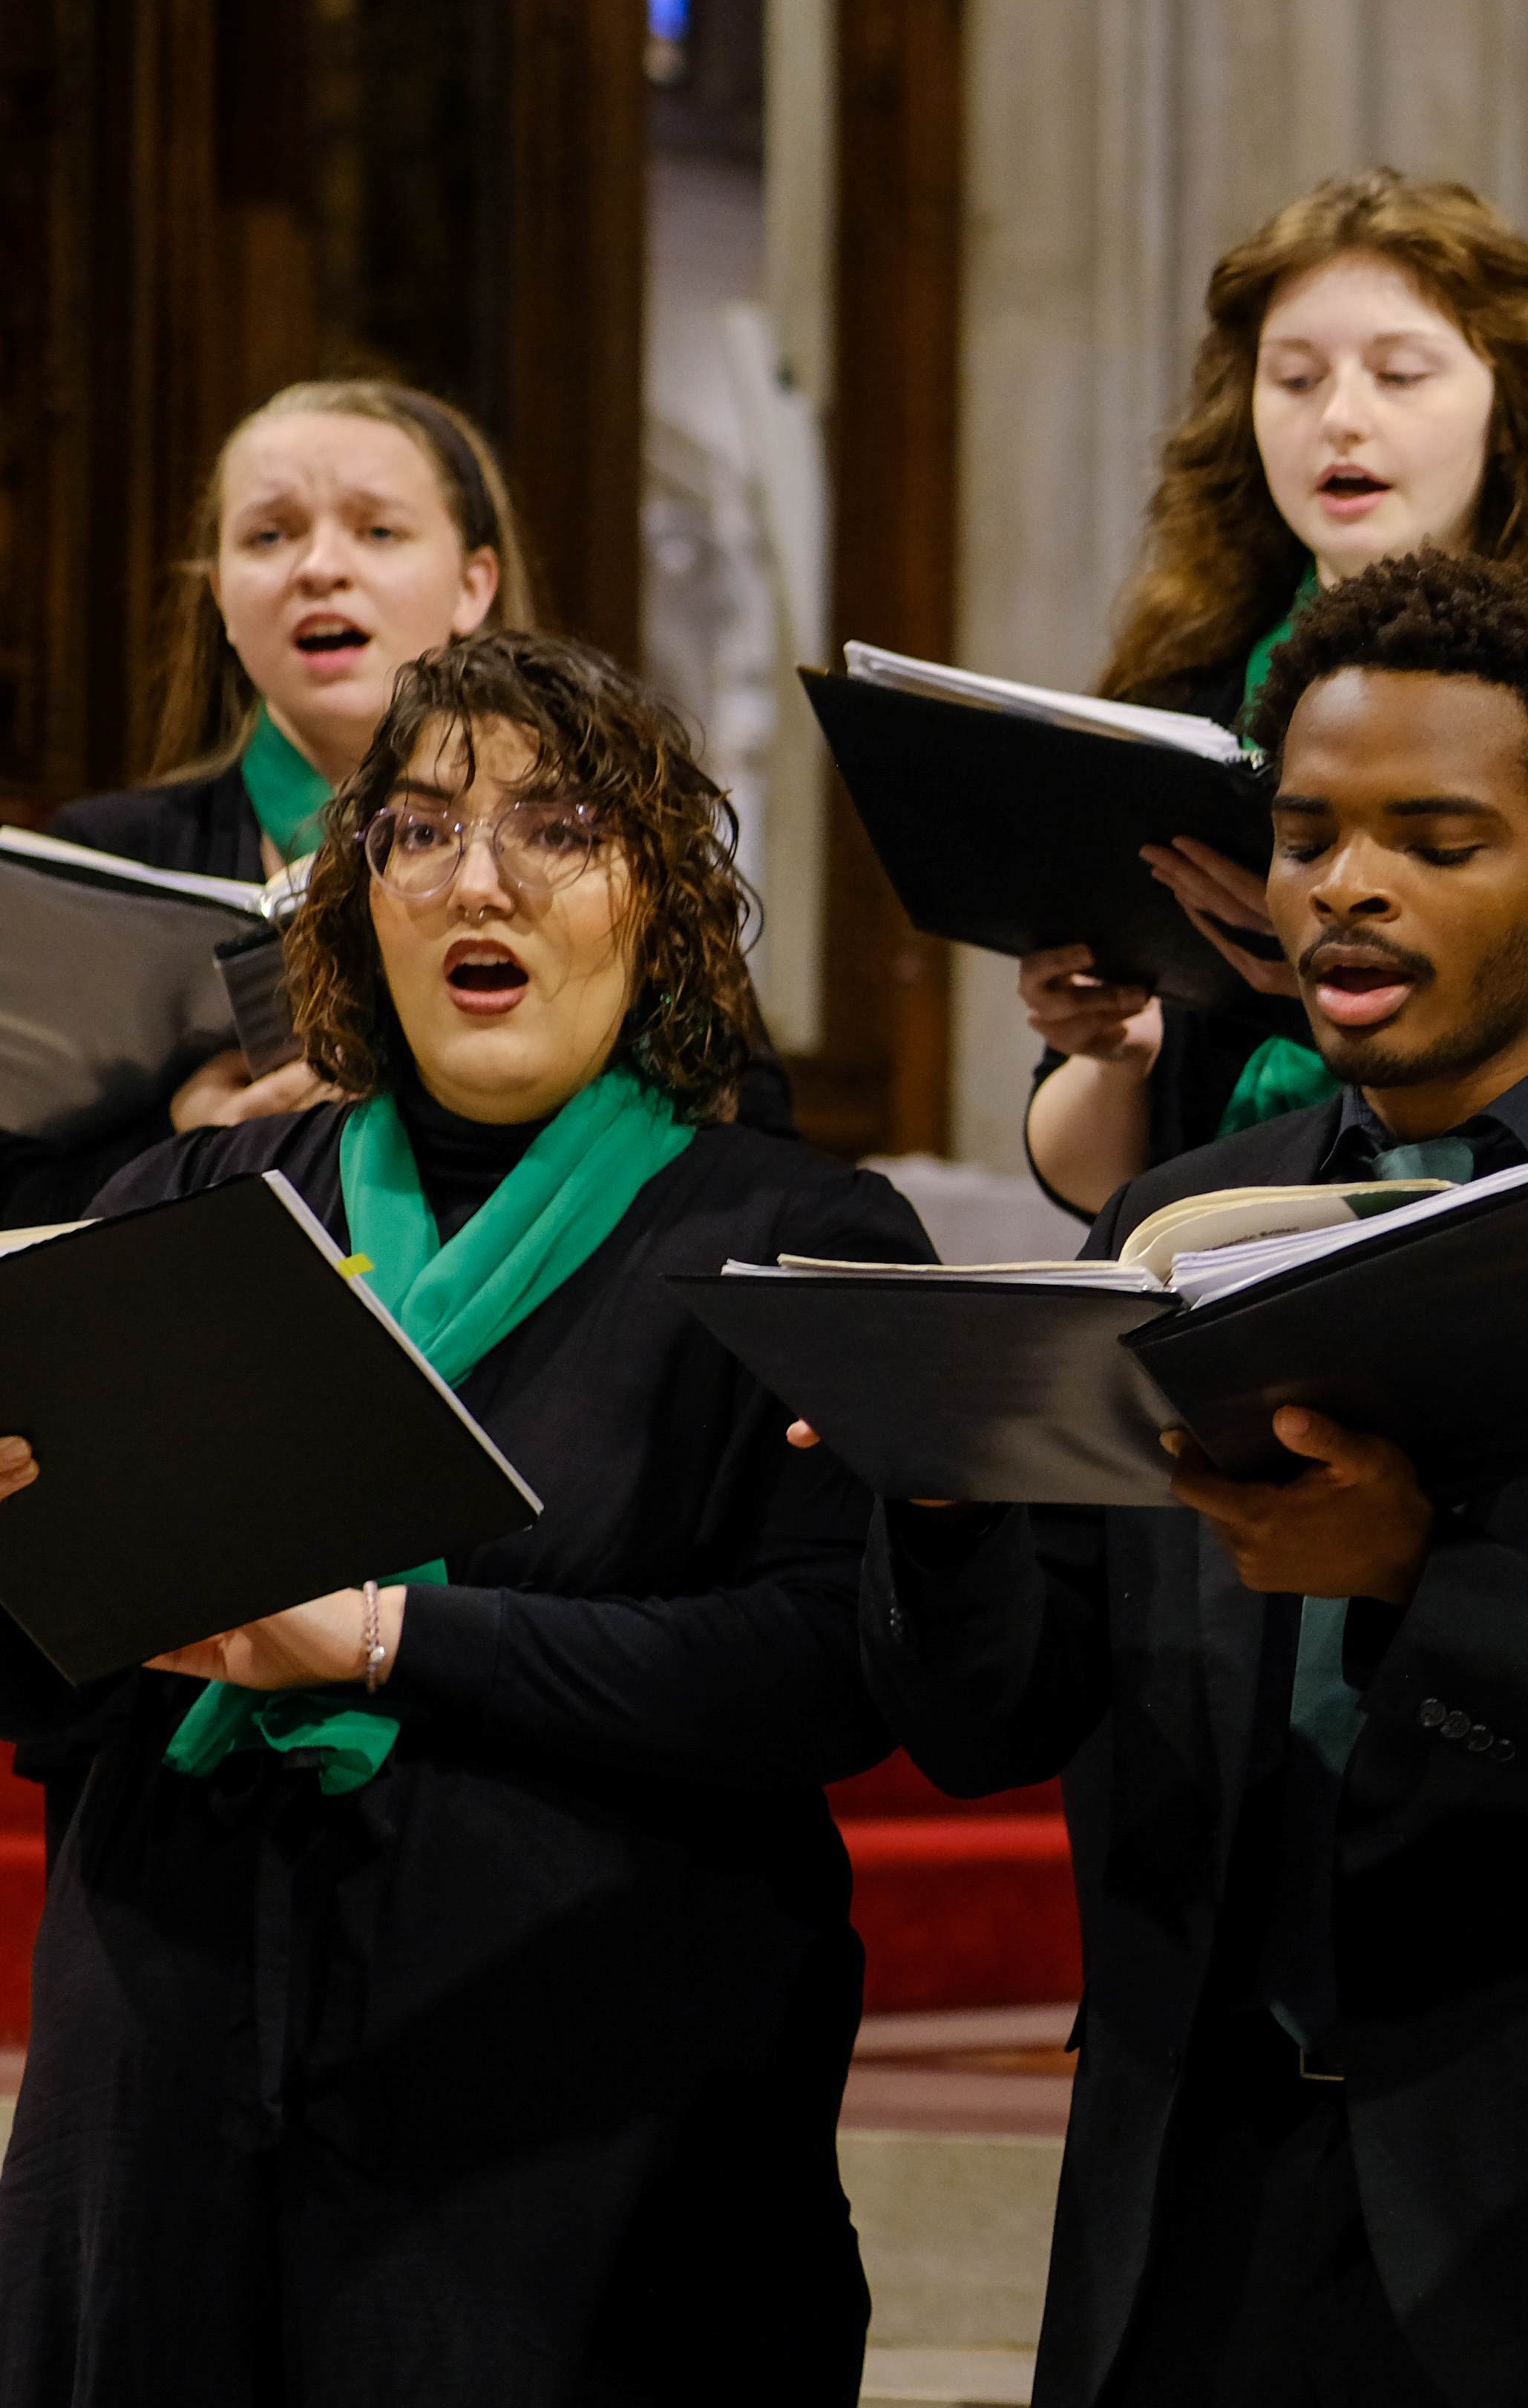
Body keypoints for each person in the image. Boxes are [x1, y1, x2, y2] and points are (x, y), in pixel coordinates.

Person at [849, 550, 1528, 2408]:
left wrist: (1426, 1580)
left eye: (1433, 837)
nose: (1348, 887)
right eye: (1309, 833)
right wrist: (938, 1498)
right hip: (1196, 2205)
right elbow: (1001, 1720)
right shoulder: (1174, 1219)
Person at [0, 632, 933, 2403]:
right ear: (357, 897)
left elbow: (818, 1670)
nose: (475, 877)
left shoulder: (793, 1233)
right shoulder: (199, 1191)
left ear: (658, 895)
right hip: (176, 2063)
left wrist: (380, 1635)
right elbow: (51, 1685)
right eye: (418, 831)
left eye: (557, 827)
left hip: (581, 2091)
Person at [1017, 166, 1528, 1220]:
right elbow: (1102, 1191)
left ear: (1510, 406)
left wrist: (1314, 979)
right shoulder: (1181, 704)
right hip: (1192, 1289)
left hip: (1506, 1279)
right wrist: (1113, 1052)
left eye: (1400, 374)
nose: (1340, 419)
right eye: (1295, 379)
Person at [7, 382, 540, 1224]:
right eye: (270, 534)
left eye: (377, 530)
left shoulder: (584, 850)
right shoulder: (103, 855)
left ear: (474, 585)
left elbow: (732, 1122)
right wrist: (185, 1138)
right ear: (219, 593)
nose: (320, 567)